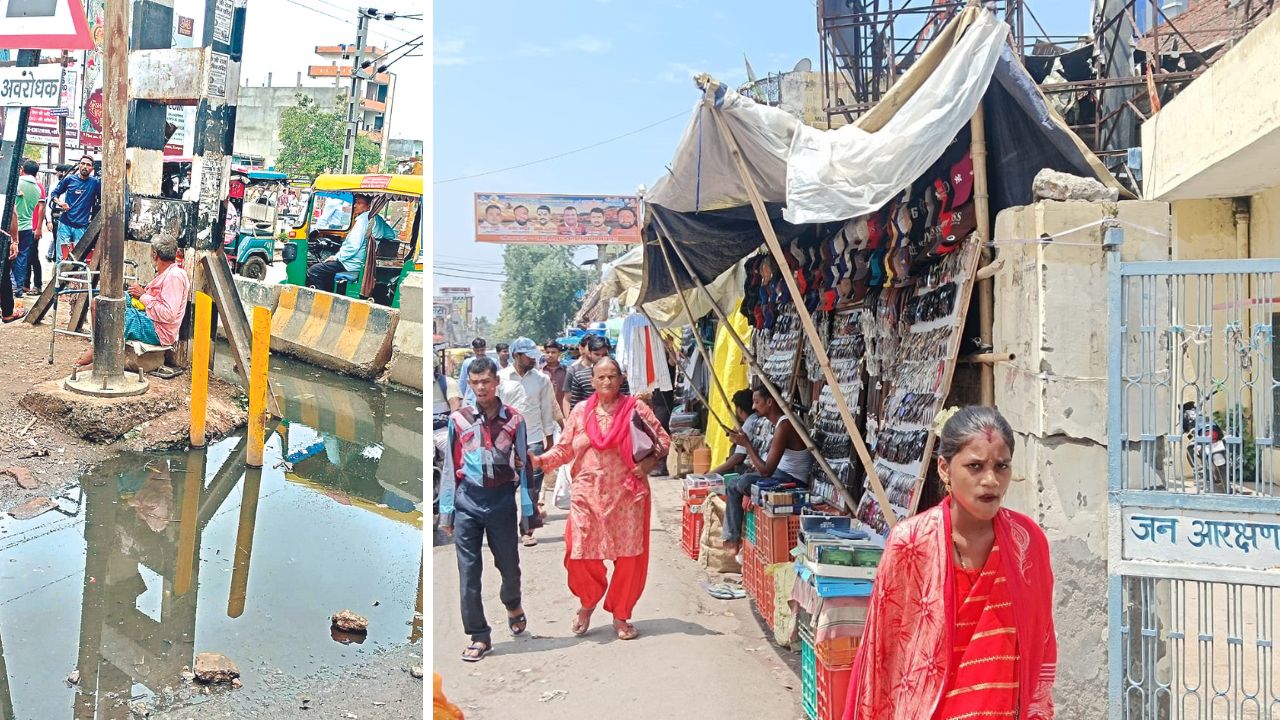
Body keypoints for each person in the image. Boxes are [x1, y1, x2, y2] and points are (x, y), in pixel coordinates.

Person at [844, 406, 1056, 720]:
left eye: (1001, 467)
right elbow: (884, 655)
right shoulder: (910, 543)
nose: (990, 480)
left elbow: (1041, 642)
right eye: (975, 466)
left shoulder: (1028, 542)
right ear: (944, 468)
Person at [530, 356, 670, 641]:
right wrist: (539, 461)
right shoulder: (581, 412)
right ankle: (588, 601)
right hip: (586, 496)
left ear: (621, 379)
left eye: (612, 377)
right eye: (601, 377)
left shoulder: (636, 409)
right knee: (577, 554)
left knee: (629, 558)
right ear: (592, 381)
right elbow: (565, 449)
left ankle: (621, 614)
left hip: (627, 495)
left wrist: (646, 465)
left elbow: (663, 440)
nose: (607, 382)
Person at [438, 357, 533, 662]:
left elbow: (524, 466)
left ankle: (512, 603)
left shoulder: (515, 420)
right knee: (468, 574)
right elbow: (452, 468)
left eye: (486, 382)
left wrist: (527, 513)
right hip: (468, 502)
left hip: (502, 501)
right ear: (469, 384)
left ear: (496, 383)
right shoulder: (459, 420)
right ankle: (479, 635)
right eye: (475, 382)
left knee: (509, 566)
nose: (481, 387)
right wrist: (448, 512)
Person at [75, 233, 190, 367]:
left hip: (158, 328)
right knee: (101, 302)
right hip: (148, 314)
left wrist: (143, 296)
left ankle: (101, 352)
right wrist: (140, 294)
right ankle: (98, 345)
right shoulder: (166, 272)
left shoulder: (174, 277)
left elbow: (168, 314)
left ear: (154, 254)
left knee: (109, 315)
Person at [721, 387, 813, 548]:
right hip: (781, 474)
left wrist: (746, 444)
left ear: (769, 402)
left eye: (757, 402)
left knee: (741, 483)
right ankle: (732, 539)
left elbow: (766, 471)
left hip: (791, 480)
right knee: (736, 482)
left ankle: (732, 541)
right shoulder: (780, 423)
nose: (753, 407)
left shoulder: (785, 426)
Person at [498, 338, 556, 546]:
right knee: (505, 487)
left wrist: (549, 437)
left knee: (530, 488)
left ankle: (527, 530)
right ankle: (504, 529)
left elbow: (546, 409)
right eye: (528, 355)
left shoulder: (541, 380)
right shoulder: (500, 378)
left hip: (533, 439)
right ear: (516, 356)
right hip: (505, 441)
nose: (533, 359)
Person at [306, 194, 371, 293]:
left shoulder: (362, 221)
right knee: (328, 269)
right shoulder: (376, 219)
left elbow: (353, 246)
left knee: (314, 270)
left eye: (359, 203)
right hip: (362, 261)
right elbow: (390, 234)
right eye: (355, 202)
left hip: (351, 263)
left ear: (369, 205)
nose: (355, 205)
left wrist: (337, 257)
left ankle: (325, 298)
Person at [561, 334, 630, 417]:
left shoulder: (619, 377)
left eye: (604, 354)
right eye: (597, 354)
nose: (601, 358)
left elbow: (627, 405)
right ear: (590, 353)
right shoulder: (580, 377)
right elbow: (575, 409)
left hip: (618, 421)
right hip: (588, 422)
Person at [49, 155, 101, 261]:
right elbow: (54, 193)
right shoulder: (69, 179)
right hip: (65, 225)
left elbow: (102, 200)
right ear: (79, 165)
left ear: (92, 168)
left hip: (81, 226)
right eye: (82, 164)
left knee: (79, 259)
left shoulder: (95, 183)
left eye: (88, 165)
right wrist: (60, 203)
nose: (85, 167)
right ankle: (60, 277)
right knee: (61, 258)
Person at [710, 389, 760, 476]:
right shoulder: (753, 419)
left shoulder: (748, 425)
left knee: (719, 475)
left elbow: (738, 458)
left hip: (746, 468)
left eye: (736, 408)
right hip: (748, 464)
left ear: (739, 409)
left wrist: (711, 473)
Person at [12, 160, 42, 297]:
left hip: (13, 226)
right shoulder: (38, 188)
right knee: (22, 257)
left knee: (9, 257)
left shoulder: (16, 183)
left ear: (22, 169)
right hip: (27, 227)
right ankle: (18, 288)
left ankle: (12, 287)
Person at [44, 163, 72, 262]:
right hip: (57, 217)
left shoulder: (75, 184)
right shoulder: (56, 185)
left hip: (71, 219)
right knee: (58, 244)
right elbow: (49, 204)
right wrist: (49, 221)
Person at [542, 340, 569, 411]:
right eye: (547, 352)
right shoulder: (539, 372)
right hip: (544, 413)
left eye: (553, 352)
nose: (550, 355)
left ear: (559, 353)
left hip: (562, 413)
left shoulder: (566, 371)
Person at [458, 337, 487, 403]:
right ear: (473, 350)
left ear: (485, 348)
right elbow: (462, 381)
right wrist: (460, 400)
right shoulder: (467, 363)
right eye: (477, 350)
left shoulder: (493, 362)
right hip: (472, 401)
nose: (479, 353)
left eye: (482, 350)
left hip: (489, 399)